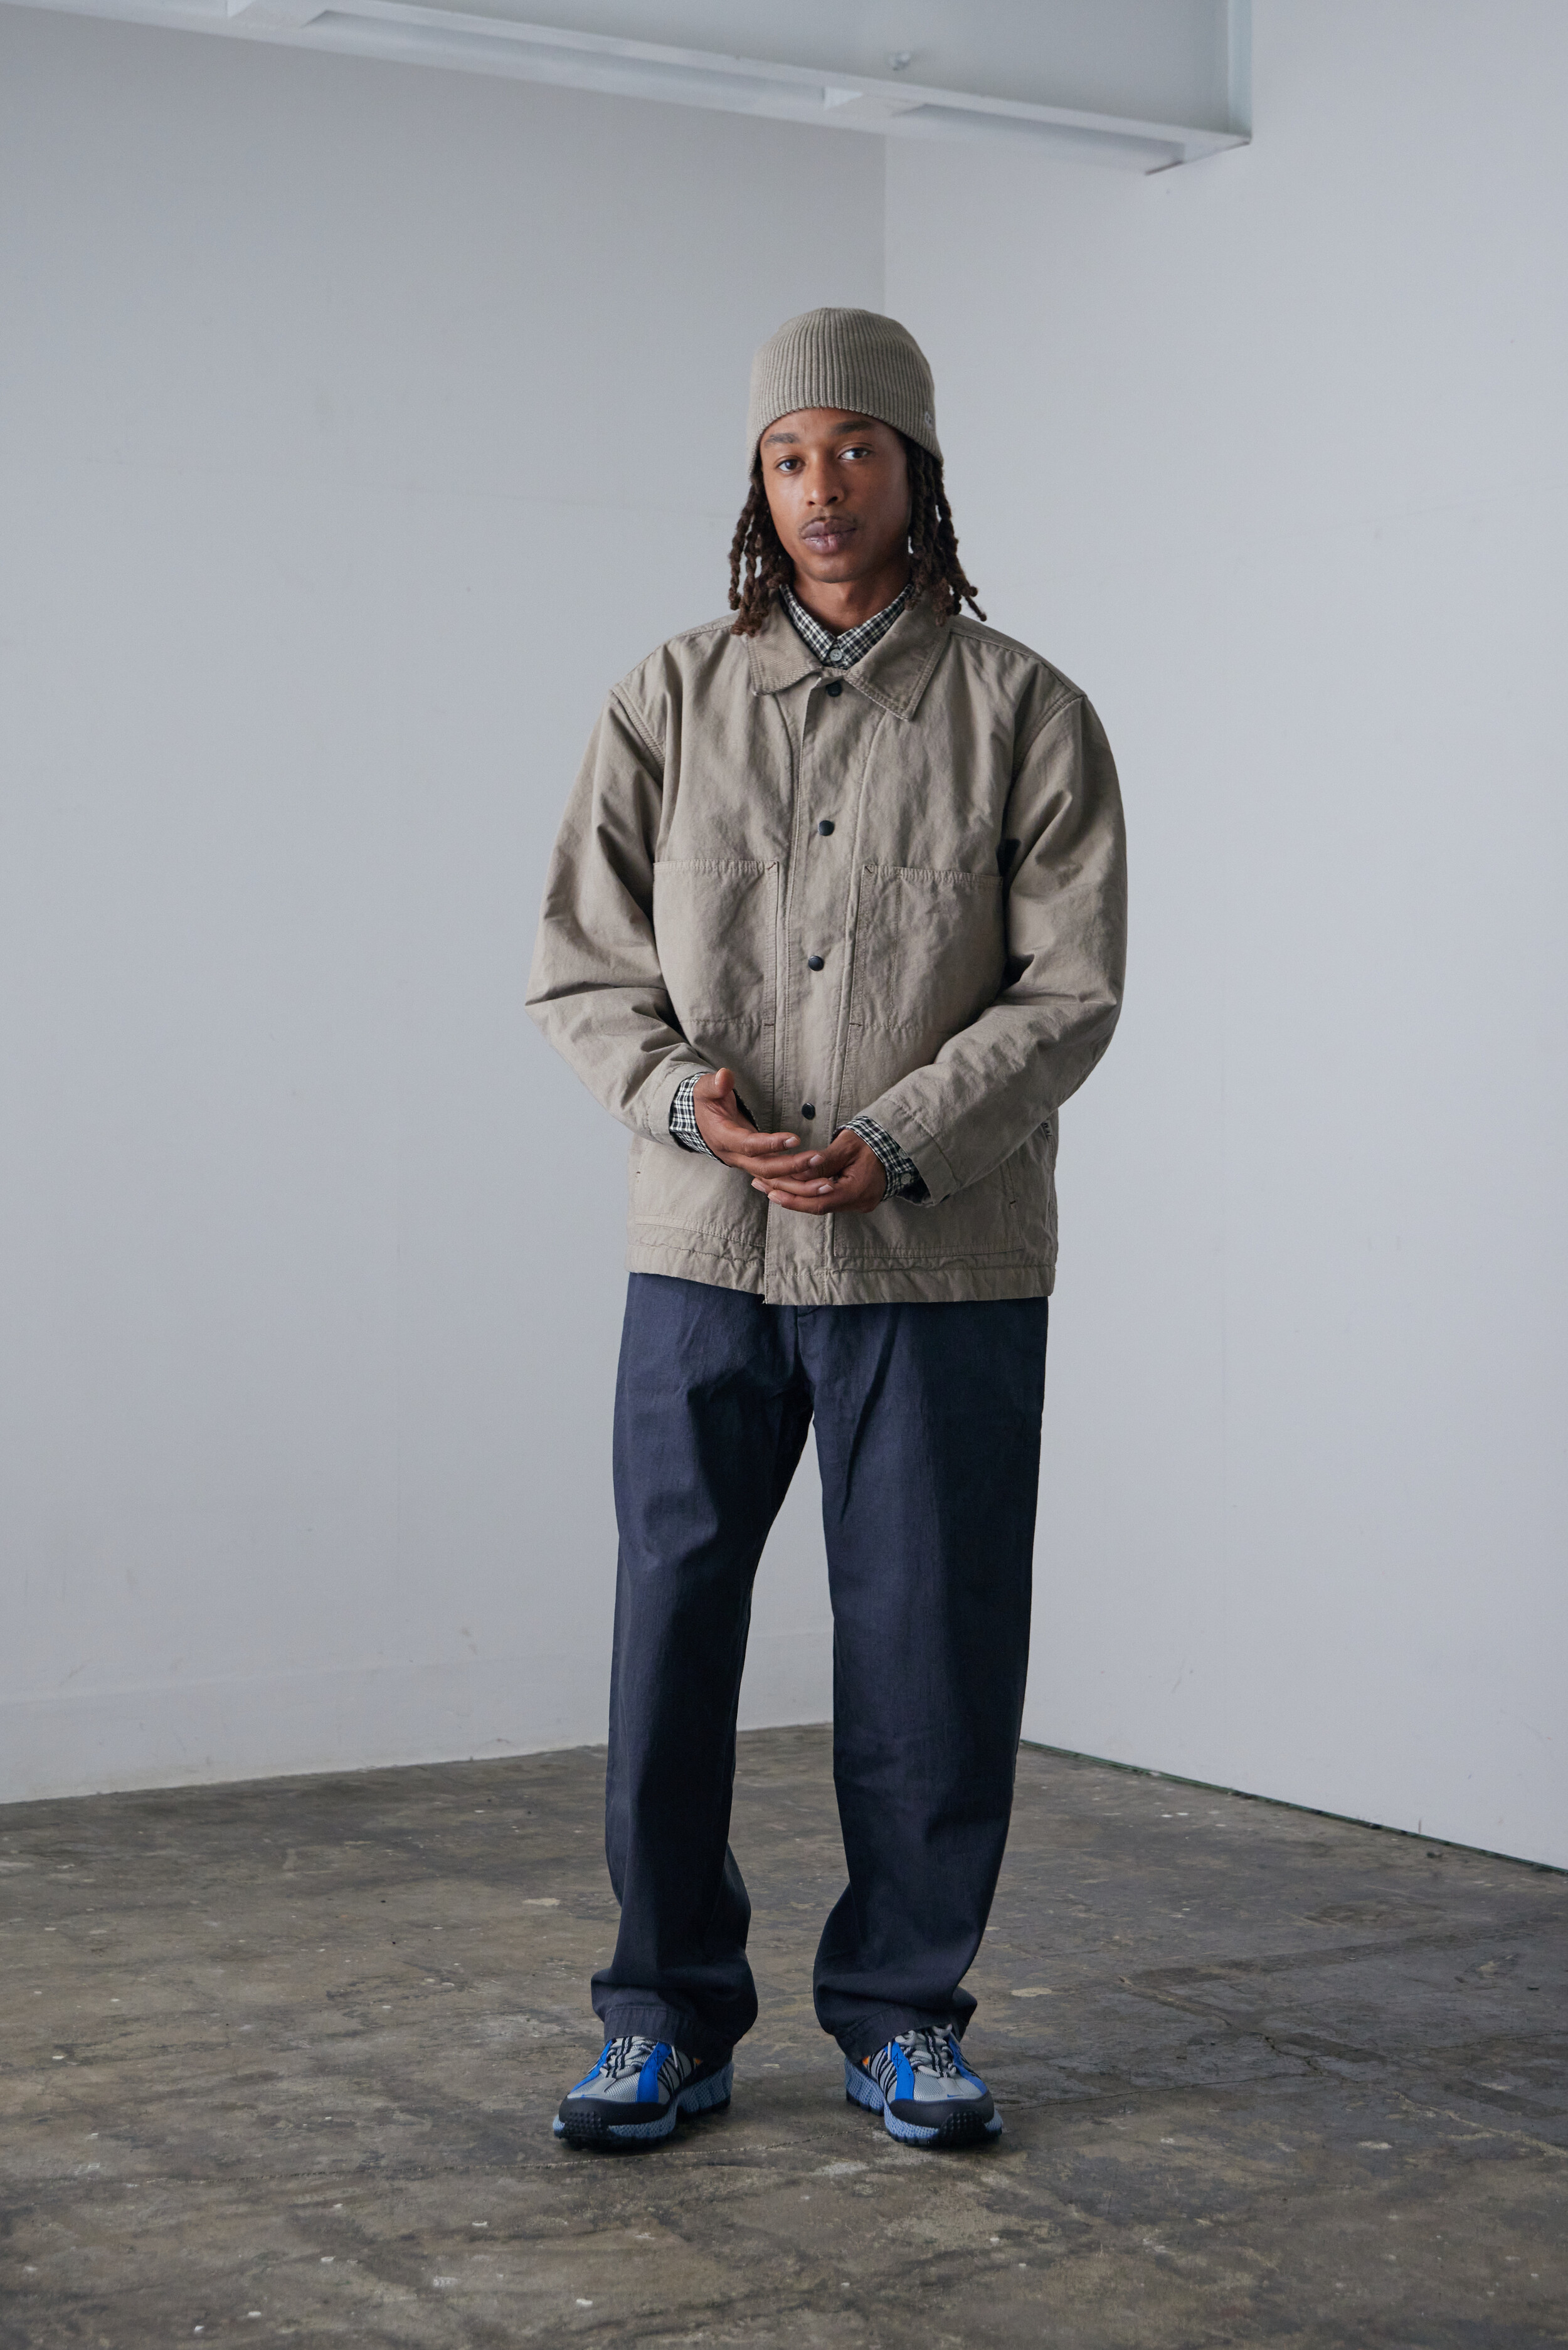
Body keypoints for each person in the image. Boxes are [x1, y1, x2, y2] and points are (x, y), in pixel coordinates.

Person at [527, 307, 1126, 2152]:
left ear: (914, 471)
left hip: (939, 1262)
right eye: (788, 456)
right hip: (702, 1256)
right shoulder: (666, 699)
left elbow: (1069, 991)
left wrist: (897, 1138)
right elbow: (582, 966)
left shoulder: (1024, 711)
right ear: (756, 482)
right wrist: (679, 1099)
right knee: (669, 1632)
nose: (820, 488)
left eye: (854, 450)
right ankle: (663, 2014)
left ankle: (901, 2013)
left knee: (931, 1647)